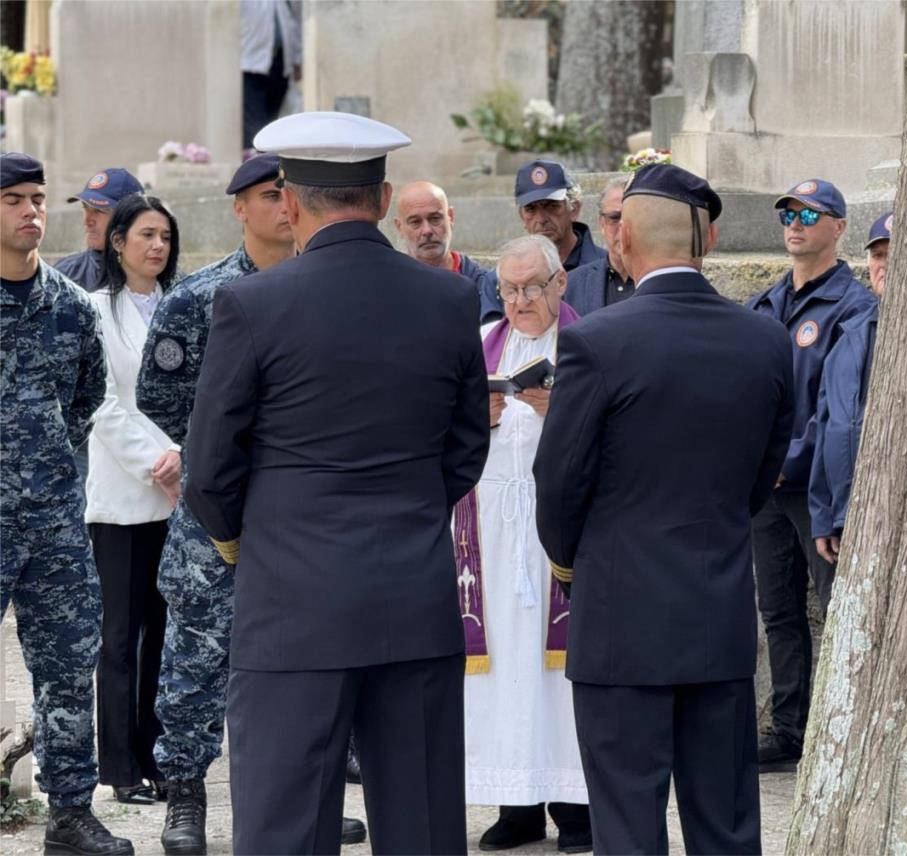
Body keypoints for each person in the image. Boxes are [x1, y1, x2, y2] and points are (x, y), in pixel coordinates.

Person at [184, 111, 490, 855]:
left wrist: (241, 544)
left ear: (288, 203)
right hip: (412, 596)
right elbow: (465, 447)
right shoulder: (447, 299)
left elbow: (210, 469)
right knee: (422, 827)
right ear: (383, 199)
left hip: (291, 602)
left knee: (285, 829)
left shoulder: (252, 303)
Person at [533, 164, 794, 854]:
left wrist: (568, 566)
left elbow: (559, 480)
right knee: (727, 822)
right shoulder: (764, 339)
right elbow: (760, 474)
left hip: (620, 617)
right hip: (715, 611)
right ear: (704, 241)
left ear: (620, 245)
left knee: (626, 823)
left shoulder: (598, 339)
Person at [134, 154, 366, 854]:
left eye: (287, 194)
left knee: (307, 664)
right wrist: (225, 453)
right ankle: (185, 801)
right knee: (197, 663)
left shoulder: (325, 290)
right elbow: (159, 395)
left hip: (304, 511)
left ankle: (306, 799)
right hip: (220, 515)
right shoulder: (196, 297)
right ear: (239, 208)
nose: (280, 205)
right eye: (268, 195)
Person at [1, 152, 133, 855]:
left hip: (53, 523)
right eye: (14, 199)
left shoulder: (69, 307)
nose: (30, 211)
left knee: (66, 668)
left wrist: (42, 469)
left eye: (37, 198)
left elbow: (85, 402)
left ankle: (72, 813)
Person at [457, 235, 591, 854]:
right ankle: (518, 805)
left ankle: (574, 805)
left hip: (555, 536)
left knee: (556, 671)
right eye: (509, 290)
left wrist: (559, 409)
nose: (519, 301)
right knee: (504, 668)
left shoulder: (589, 345)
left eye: (532, 287)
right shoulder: (482, 345)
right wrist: (470, 419)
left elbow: (611, 433)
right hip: (487, 537)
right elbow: (445, 436)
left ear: (560, 284)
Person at [745, 179, 878, 772]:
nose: (794, 224)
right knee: (778, 611)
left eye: (808, 214)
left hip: (816, 485)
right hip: (765, 489)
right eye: (787, 214)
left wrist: (785, 462)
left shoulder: (854, 305)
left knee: (832, 609)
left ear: (839, 226)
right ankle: (790, 729)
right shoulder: (765, 305)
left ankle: (837, 737)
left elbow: (838, 411)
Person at [85, 194, 181, 806]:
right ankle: (119, 767)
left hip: (180, 494)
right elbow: (102, 403)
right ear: (117, 241)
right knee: (119, 637)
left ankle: (155, 753)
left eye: (166, 237)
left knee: (163, 633)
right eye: (145, 235)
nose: (157, 247)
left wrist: (186, 455)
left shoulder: (183, 308)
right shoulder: (95, 310)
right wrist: (159, 459)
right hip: (123, 497)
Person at [810, 211, 892, 565]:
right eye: (878, 255)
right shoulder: (849, 337)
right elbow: (827, 425)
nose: (885, 265)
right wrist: (823, 516)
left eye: (897, 253)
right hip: (848, 523)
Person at [479, 159, 606, 323]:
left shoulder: (607, 269)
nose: (541, 219)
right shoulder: (498, 280)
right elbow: (493, 341)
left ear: (574, 209)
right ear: (522, 217)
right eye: (531, 209)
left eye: (551, 206)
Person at [392, 180, 496, 317]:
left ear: (450, 217)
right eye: (415, 222)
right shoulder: (389, 288)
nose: (427, 231)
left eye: (435, 219)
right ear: (399, 227)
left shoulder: (485, 286)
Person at [54, 168, 145, 293]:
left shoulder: (159, 279)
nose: (87, 221)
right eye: (85, 207)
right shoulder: (63, 276)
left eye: (99, 210)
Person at [563, 175, 635, 316]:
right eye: (614, 217)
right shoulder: (572, 285)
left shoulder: (663, 281)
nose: (622, 226)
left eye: (631, 217)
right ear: (601, 224)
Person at [240, 0, 302, 152]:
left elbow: (295, 23)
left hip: (280, 64)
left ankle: (267, 162)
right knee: (254, 124)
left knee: (271, 123)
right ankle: (256, 165)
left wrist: (297, 59)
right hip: (250, 64)